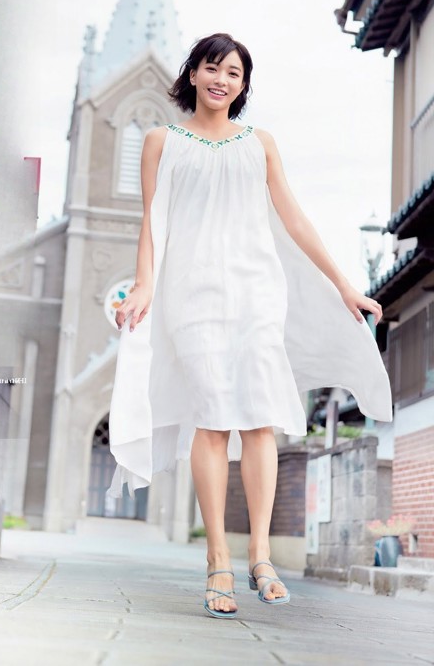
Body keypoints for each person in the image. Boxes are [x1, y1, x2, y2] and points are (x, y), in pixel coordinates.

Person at [109, 32, 392, 619]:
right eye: (212, 68)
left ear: (242, 86)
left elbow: (293, 216)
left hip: (258, 293)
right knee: (212, 420)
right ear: (192, 75)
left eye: (234, 73)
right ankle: (217, 558)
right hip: (192, 294)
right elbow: (152, 221)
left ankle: (260, 554)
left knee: (261, 416)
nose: (222, 80)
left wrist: (343, 284)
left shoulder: (259, 144)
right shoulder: (162, 141)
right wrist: (143, 285)